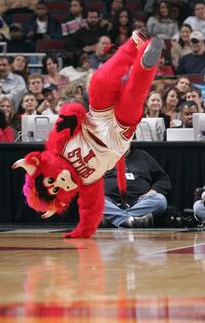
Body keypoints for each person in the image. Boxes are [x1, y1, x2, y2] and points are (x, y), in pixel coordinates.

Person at [12, 31, 164, 238]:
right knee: (133, 96)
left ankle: (132, 46)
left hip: (97, 120)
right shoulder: (88, 183)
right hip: (118, 134)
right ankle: (146, 63)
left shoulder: (59, 147)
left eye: (50, 183)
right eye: (57, 191)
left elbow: (72, 110)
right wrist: (82, 231)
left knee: (100, 81)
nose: (59, 184)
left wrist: (70, 117)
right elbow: (90, 209)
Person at [104, 145, 171, 228]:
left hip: (139, 202)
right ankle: (129, 220)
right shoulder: (101, 156)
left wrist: (153, 191)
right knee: (91, 200)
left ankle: (117, 219)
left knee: (160, 200)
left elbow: (163, 179)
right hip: (110, 201)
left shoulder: (143, 156)